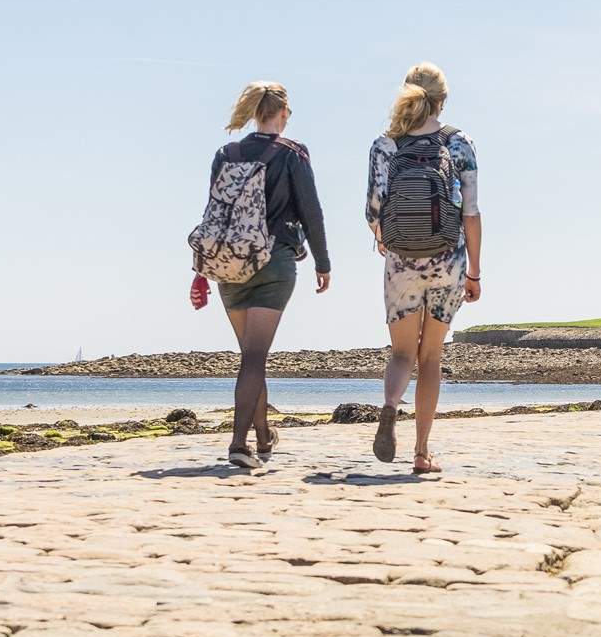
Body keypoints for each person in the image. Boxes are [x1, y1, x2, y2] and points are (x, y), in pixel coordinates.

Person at [189, 81, 332, 469]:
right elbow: (311, 211)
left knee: (252, 355)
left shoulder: (227, 153)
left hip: (229, 266)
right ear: (282, 113)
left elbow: (212, 217)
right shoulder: (292, 154)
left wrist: (200, 271)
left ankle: (264, 436)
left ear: (255, 112)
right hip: (274, 262)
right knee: (255, 356)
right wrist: (323, 262)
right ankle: (239, 444)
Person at [365, 63, 481, 476]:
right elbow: (471, 213)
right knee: (430, 356)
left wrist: (386, 239)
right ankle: (421, 453)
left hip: (401, 262)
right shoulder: (459, 142)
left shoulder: (386, 145)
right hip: (448, 260)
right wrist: (475, 274)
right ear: (443, 99)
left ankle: (390, 407)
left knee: (401, 352)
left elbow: (372, 210)